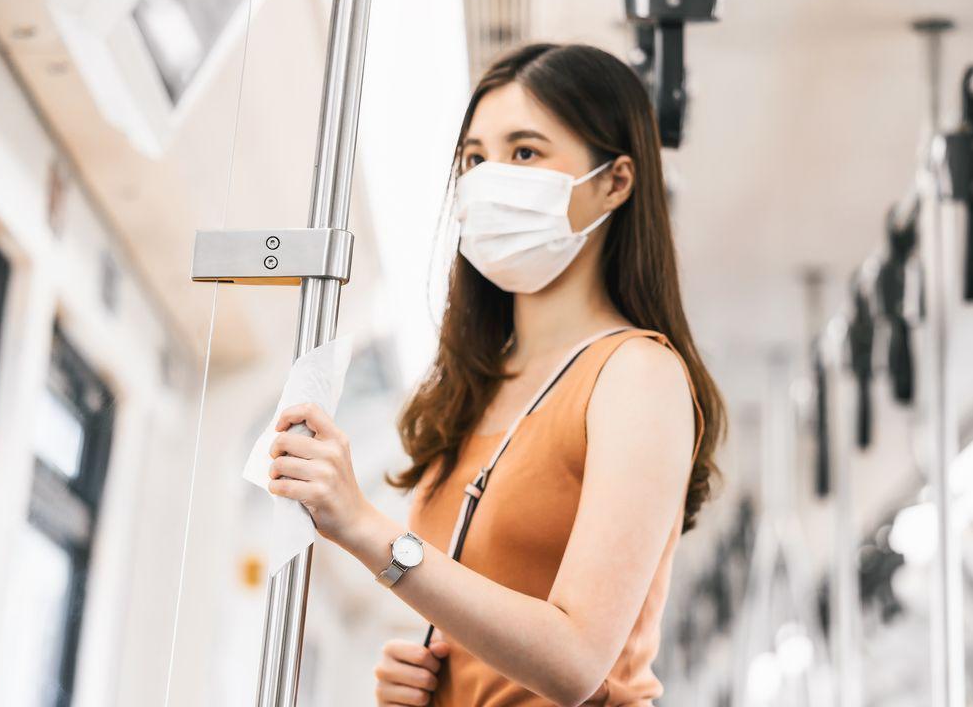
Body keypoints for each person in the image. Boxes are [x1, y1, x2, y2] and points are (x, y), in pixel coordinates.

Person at [267, 43, 726, 706]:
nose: (489, 180)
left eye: (526, 152)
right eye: (475, 159)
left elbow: (575, 663)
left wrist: (365, 528)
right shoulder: (473, 387)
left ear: (615, 181)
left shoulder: (638, 376)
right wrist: (433, 680)